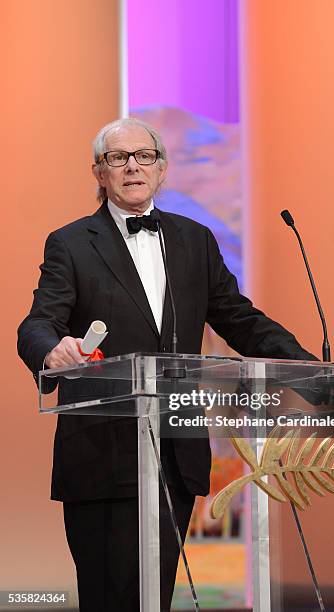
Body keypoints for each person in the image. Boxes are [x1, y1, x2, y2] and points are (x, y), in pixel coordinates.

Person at [17, 117, 317, 611]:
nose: (132, 165)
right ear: (99, 172)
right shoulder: (70, 243)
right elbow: (38, 322)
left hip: (176, 451)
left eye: (144, 156)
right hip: (102, 452)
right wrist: (51, 349)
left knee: (153, 595)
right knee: (110, 598)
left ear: (163, 169)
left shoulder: (194, 240)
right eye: (118, 157)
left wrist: (305, 369)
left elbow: (238, 319)